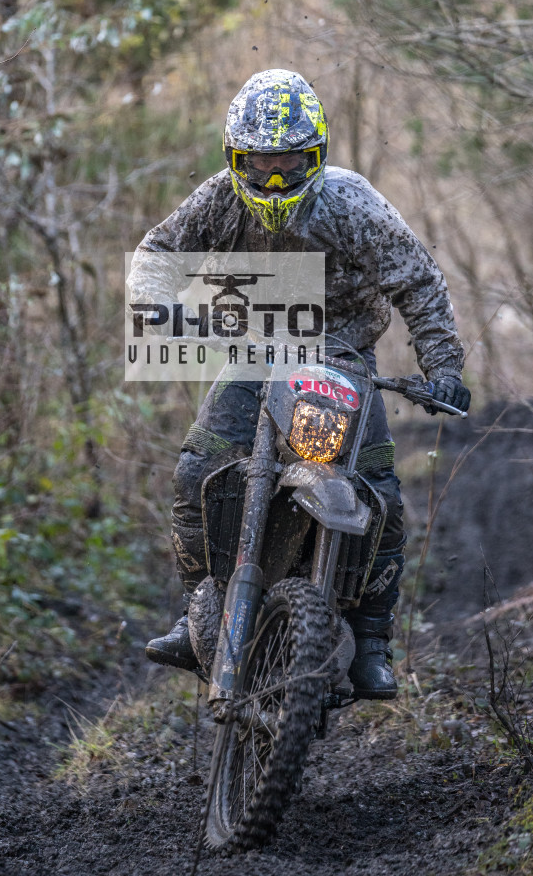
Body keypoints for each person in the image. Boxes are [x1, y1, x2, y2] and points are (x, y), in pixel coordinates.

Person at [128, 69, 470, 699]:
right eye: (261, 164)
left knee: (383, 499)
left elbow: (418, 282)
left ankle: (371, 642)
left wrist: (443, 365)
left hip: (342, 359)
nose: (276, 179)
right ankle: (199, 607)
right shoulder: (217, 199)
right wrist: (160, 305)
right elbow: (157, 251)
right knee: (194, 471)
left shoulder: (353, 204)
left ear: (317, 154)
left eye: (290, 161)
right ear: (236, 160)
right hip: (256, 347)